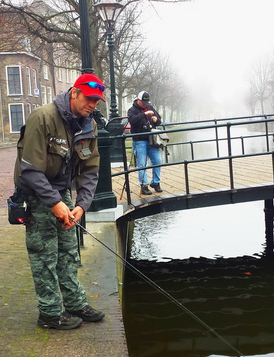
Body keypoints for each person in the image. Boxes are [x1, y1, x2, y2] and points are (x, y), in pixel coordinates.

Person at [13, 73, 106, 330]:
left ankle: (75, 303)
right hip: (36, 193)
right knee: (44, 255)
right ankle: (50, 313)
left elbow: (90, 170)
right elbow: (29, 169)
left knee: (68, 252)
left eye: (96, 102)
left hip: (62, 193)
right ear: (74, 92)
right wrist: (54, 202)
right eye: (89, 99)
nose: (92, 105)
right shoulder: (42, 117)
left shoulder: (89, 125)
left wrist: (81, 205)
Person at [127, 90, 163, 195]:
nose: (145, 104)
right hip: (139, 140)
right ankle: (144, 185)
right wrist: (144, 114)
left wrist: (156, 120)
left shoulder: (150, 107)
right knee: (142, 164)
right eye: (143, 102)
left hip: (152, 140)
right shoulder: (132, 110)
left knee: (158, 161)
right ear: (138, 100)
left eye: (146, 102)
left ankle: (156, 182)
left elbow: (159, 120)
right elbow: (132, 120)